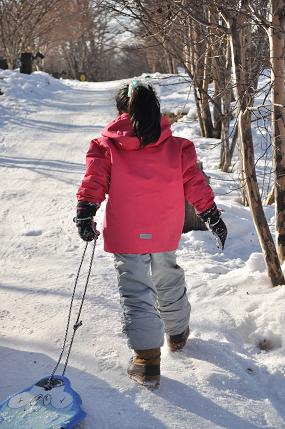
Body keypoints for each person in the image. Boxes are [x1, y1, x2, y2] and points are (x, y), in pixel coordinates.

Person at [75, 79, 227, 388]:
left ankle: (146, 361)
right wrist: (211, 215)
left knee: (136, 290)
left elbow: (94, 181)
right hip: (163, 228)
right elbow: (196, 184)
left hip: (127, 229)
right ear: (154, 109)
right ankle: (178, 334)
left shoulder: (105, 146)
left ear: (121, 111)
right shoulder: (178, 147)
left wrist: (86, 211)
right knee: (167, 276)